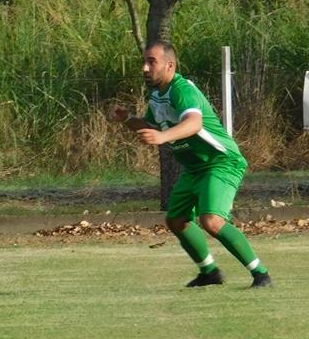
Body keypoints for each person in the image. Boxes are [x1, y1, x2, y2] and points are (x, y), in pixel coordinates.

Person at [108, 41, 272, 288]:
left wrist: (163, 137)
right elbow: (152, 127)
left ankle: (261, 274)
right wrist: (128, 119)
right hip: (195, 168)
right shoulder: (157, 95)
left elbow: (194, 123)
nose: (145, 68)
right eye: (144, 62)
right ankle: (210, 272)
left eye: (151, 62)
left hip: (220, 162)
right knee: (176, 219)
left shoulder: (182, 90)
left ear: (169, 65)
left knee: (212, 221)